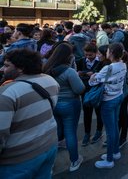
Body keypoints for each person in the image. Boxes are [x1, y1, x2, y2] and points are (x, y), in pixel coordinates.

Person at [0, 49, 59, 177]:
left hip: (18, 159)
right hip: (49, 145)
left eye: (6, 65)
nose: (2, 69)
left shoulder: (7, 93)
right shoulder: (50, 80)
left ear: (21, 68)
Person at [43, 42, 85, 172]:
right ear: (67, 56)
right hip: (70, 104)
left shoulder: (46, 69)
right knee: (70, 132)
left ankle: (49, 165)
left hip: (53, 104)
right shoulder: (69, 71)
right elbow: (79, 89)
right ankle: (74, 161)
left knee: (55, 134)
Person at [89, 43, 127, 169]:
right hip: (118, 96)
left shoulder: (108, 68)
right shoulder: (123, 64)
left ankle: (109, 159)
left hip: (108, 100)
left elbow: (93, 81)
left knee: (110, 131)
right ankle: (115, 152)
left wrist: (93, 76)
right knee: (114, 126)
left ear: (110, 53)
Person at [76, 43, 104, 146]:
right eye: (86, 55)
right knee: (87, 113)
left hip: (97, 91)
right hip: (85, 90)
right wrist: (82, 73)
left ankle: (99, 131)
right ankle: (87, 133)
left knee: (98, 112)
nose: (88, 57)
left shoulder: (101, 62)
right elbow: (77, 73)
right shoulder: (80, 61)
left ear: (96, 53)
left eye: (90, 55)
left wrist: (92, 74)